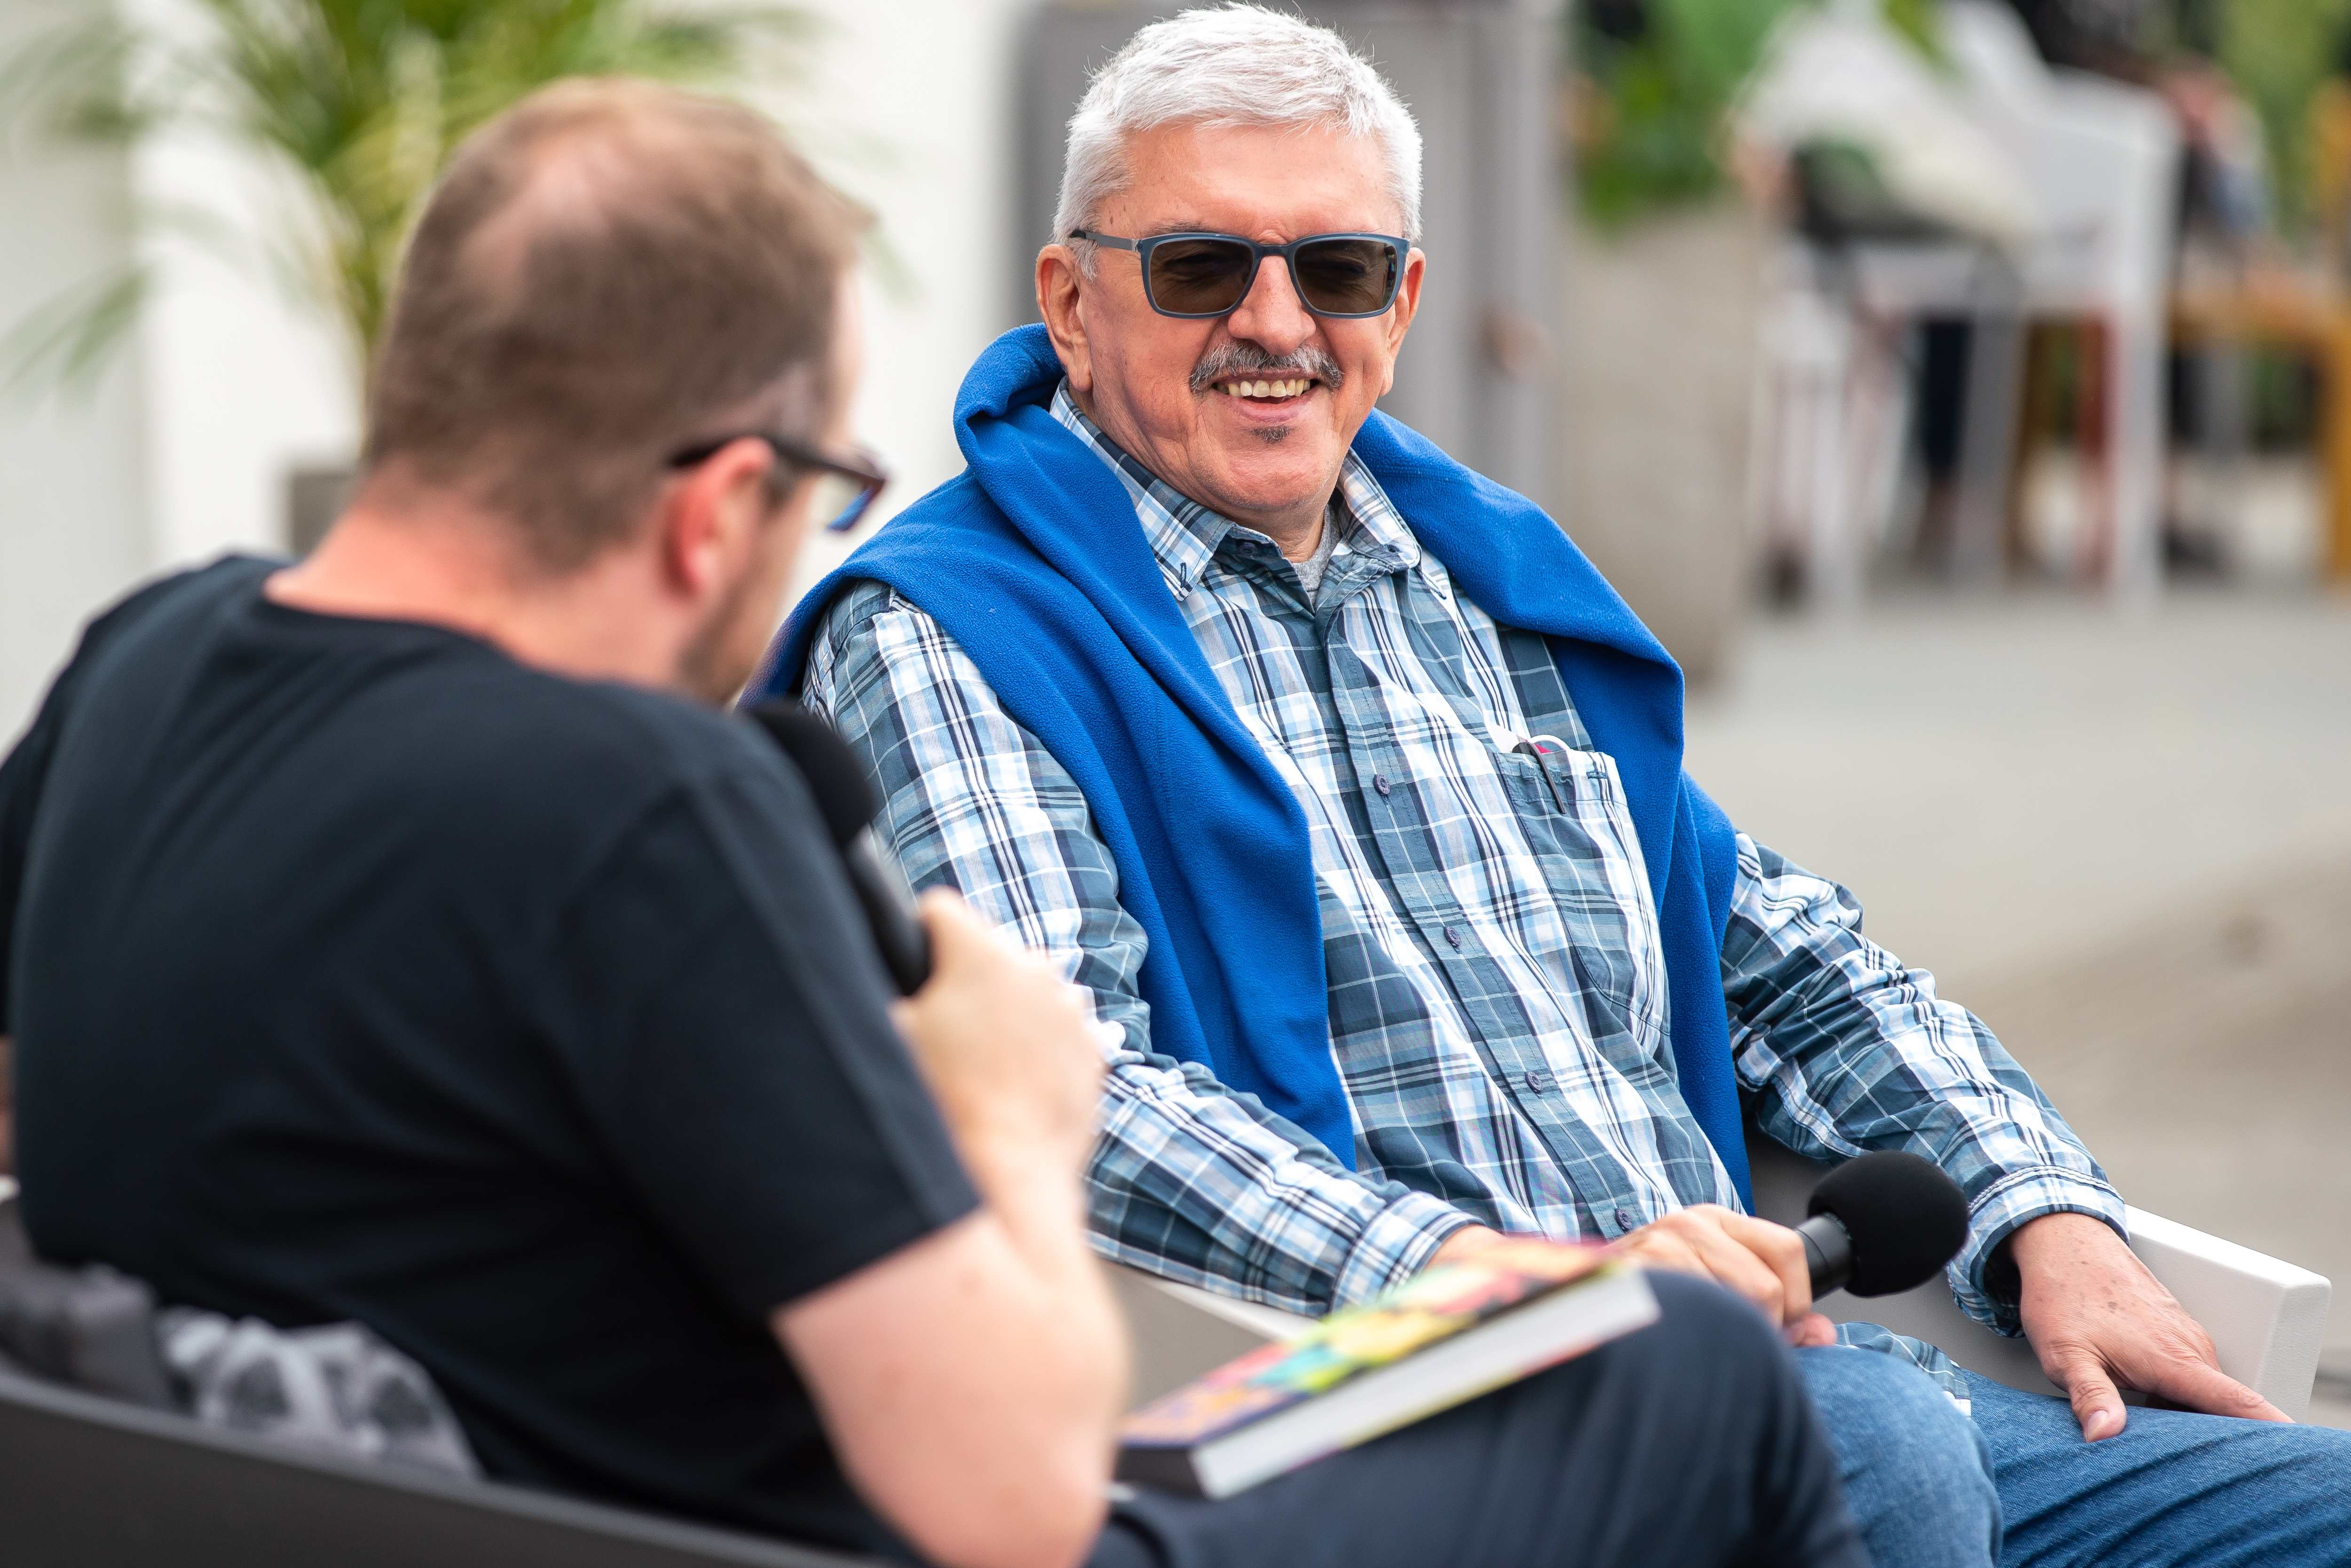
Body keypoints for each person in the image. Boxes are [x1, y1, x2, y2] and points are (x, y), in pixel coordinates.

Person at [0, 78, 1866, 1568]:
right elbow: (1013, 1501)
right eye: (828, 491)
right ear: (716, 505)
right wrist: (1002, 1101)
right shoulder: (662, 818)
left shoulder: (135, 663)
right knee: (1682, 1372)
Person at [765, 8, 2351, 1568]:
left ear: (1405, 300)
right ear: (1069, 301)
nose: (1275, 323)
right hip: (1431, 1416)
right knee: (1884, 1459)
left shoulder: (1482, 577)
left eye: (1338, 269)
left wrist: (2040, 1213)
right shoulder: (949, 631)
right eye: (1199, 267)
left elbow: (1786, 965)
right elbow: (1067, 1094)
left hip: (1830, 1375)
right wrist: (1519, 1285)